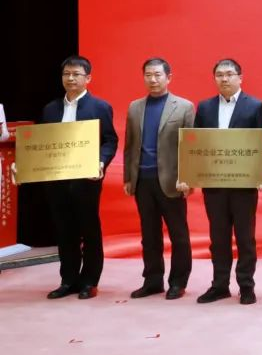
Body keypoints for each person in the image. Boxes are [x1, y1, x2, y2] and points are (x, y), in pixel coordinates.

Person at [18, 56, 119, 300]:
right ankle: (68, 280)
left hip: (87, 179)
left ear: (88, 78)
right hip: (56, 180)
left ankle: (90, 281)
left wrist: (100, 162)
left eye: (76, 74)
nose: (71, 78)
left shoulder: (100, 107)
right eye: (66, 74)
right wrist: (24, 166)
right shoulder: (50, 109)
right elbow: (40, 143)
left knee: (89, 230)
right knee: (64, 230)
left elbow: (110, 140)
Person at [178, 59, 262, 305]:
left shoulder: (255, 106)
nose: (224, 79)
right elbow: (195, 144)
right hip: (214, 183)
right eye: (219, 75)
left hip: (244, 184)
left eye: (229, 74)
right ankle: (219, 286)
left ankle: (246, 286)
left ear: (240, 77)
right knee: (218, 238)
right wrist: (188, 175)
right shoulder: (205, 107)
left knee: (245, 238)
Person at [123, 57, 195, 300]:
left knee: (179, 235)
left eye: (157, 75)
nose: (152, 80)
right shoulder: (135, 107)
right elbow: (130, 145)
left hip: (172, 181)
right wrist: (128, 177)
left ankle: (178, 282)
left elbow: (190, 147)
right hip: (142, 180)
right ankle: (152, 281)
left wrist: (188, 178)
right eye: (148, 75)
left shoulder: (184, 107)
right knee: (149, 235)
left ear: (168, 77)